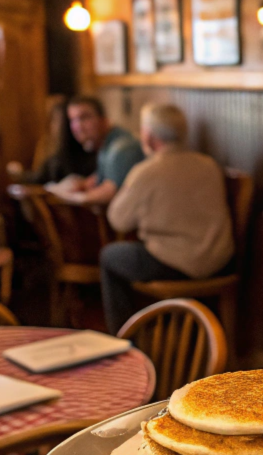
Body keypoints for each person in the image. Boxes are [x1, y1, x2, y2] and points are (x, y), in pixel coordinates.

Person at [100, 103, 234, 334]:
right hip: (219, 261)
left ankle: (124, 339)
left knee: (110, 256)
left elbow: (118, 220)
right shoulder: (209, 165)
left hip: (174, 264)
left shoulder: (146, 171)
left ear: (149, 137)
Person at [56, 95, 144, 206]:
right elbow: (100, 178)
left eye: (84, 118)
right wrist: (79, 185)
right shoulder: (106, 145)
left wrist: (73, 198)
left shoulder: (121, 148)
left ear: (103, 119)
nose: (78, 126)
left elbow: (110, 192)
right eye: (73, 120)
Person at [6, 96, 96, 185]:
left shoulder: (68, 154)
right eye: (73, 120)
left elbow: (40, 178)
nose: (78, 126)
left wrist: (19, 174)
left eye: (55, 120)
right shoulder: (47, 145)